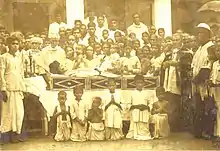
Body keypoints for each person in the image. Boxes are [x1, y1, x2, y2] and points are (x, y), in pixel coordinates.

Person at [0, 35, 26, 143]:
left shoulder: (19, 58)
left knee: (19, 112)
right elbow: (1, 73)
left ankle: (16, 134)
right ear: (8, 45)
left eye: (17, 44)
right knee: (8, 112)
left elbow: (21, 73)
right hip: (8, 88)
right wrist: (3, 89)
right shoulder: (3, 57)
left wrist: (23, 88)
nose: (15, 46)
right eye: (13, 44)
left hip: (17, 88)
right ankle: (6, 136)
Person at [191, 23, 214, 139]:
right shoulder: (199, 49)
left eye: (202, 33)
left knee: (207, 108)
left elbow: (207, 67)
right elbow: (194, 65)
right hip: (196, 83)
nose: (199, 36)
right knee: (198, 107)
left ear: (207, 35)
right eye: (198, 33)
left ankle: (207, 131)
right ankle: (199, 131)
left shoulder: (210, 47)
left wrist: (197, 79)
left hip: (204, 84)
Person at [126, 75, 152, 140]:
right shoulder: (132, 93)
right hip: (135, 111)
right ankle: (135, 133)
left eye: (141, 83)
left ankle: (144, 133)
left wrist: (146, 107)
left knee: (144, 116)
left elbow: (150, 104)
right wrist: (135, 106)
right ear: (135, 83)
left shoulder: (147, 93)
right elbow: (128, 104)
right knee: (135, 113)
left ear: (144, 83)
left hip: (144, 111)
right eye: (138, 83)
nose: (139, 84)